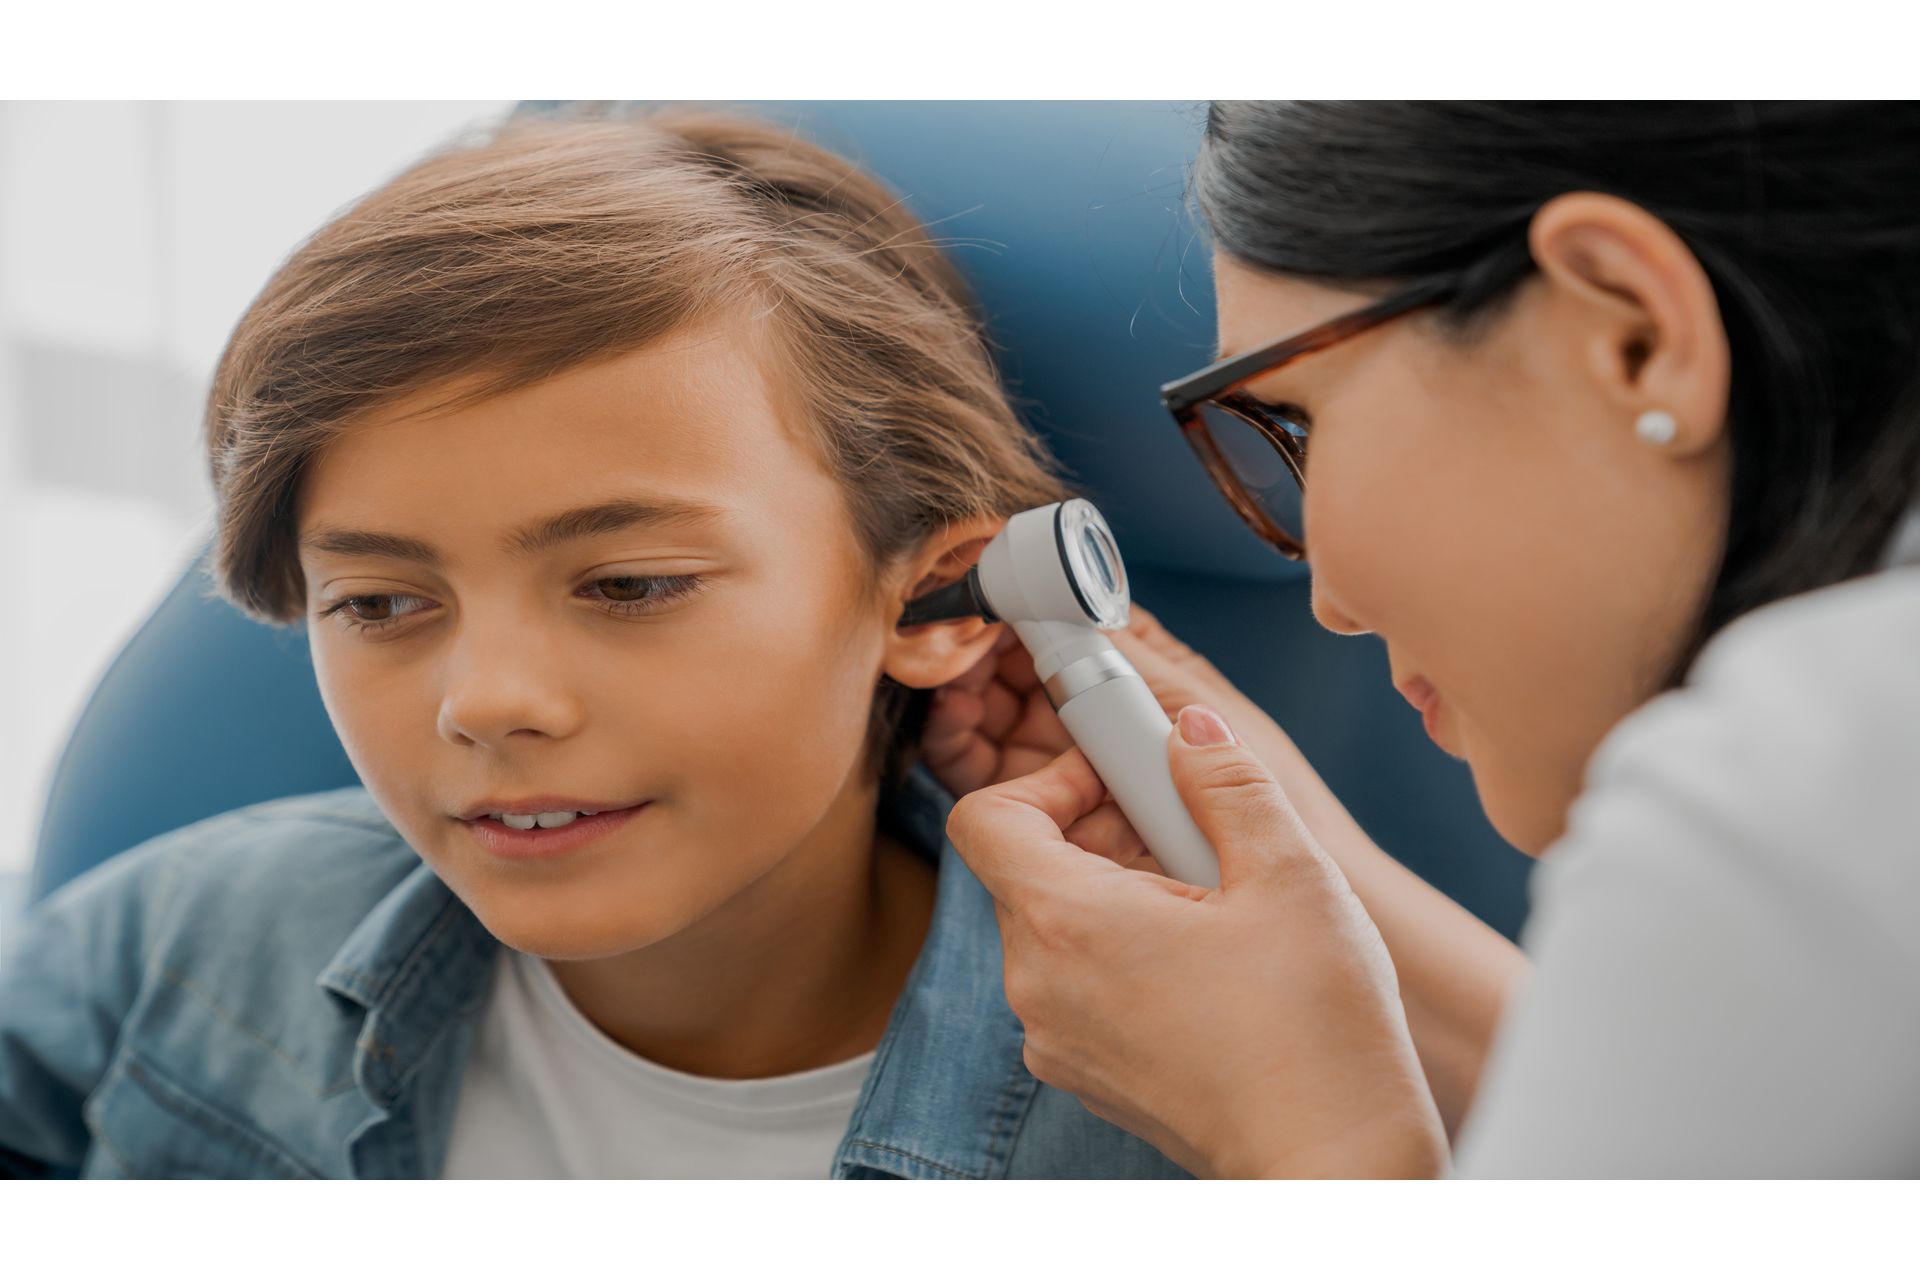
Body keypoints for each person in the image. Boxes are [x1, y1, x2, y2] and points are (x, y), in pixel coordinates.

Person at [0, 108, 1188, 1179]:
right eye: (377, 603)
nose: (489, 700)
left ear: (944, 600)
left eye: (629, 582)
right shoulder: (192, 932)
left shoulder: (1181, 1111)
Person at [930, 101, 1920, 1177]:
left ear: (1632, 333)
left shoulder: (1796, 786)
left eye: (1296, 421)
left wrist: (1298, 1123)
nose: (1333, 601)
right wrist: (1336, 908)